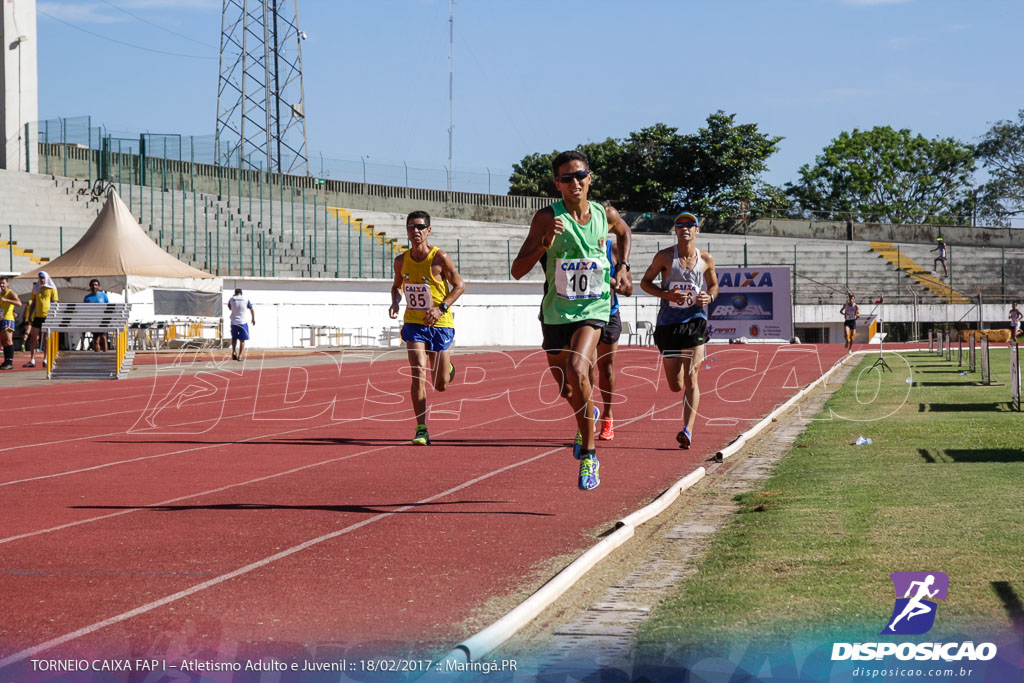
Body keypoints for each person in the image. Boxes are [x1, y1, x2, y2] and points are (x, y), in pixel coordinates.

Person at [511, 150, 632, 490]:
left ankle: (590, 455)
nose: (574, 182)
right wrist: (544, 244)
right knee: (568, 388)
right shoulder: (546, 217)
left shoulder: (604, 214)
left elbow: (624, 233)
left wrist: (622, 266)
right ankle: (587, 414)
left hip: (593, 308)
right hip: (555, 312)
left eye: (580, 175)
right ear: (557, 184)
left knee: (581, 369)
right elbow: (517, 270)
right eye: (567, 178)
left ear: (590, 178)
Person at [640, 212, 718, 450]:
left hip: (695, 320)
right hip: (668, 324)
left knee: (692, 377)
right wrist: (667, 295)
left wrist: (708, 297)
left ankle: (688, 430)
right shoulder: (664, 257)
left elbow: (713, 285)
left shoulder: (706, 259)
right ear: (675, 230)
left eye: (690, 225)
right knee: (676, 384)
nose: (685, 228)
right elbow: (645, 283)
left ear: (697, 231)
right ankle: (680, 388)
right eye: (680, 225)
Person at [388, 210, 466, 446]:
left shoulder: (440, 257)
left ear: (428, 230)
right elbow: (396, 286)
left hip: (440, 324)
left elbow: (460, 285)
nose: (416, 231)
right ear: (407, 231)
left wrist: (441, 308)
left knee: (440, 385)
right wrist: (394, 301)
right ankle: (421, 428)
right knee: (418, 371)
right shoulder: (401, 260)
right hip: (414, 323)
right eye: (411, 226)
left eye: (420, 226)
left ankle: (447, 367)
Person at [591, 237, 632, 441]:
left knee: (605, 367)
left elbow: (629, 289)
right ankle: (588, 412)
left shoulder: (612, 249)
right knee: (582, 368)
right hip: (582, 314)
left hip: (608, 314)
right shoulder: (573, 244)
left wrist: (612, 282)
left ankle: (607, 416)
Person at [23, 271, 58, 368]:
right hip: (37, 316)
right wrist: (29, 315)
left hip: (48, 316)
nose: (41, 279)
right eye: (40, 278)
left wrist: (54, 315)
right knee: (33, 337)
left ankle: (46, 359)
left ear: (46, 278)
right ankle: (32, 359)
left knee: (46, 339)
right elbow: (33, 302)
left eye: (43, 278)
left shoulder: (52, 288)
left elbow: (55, 302)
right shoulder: (36, 288)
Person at [0, 276, 22, 370]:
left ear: (7, 284)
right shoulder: (1, 294)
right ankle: (6, 361)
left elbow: (19, 303)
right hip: (2, 318)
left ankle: (10, 362)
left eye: (3, 283)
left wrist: (7, 300)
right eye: (0, 283)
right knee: (4, 341)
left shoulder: (10, 293)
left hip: (8, 319)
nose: (1, 285)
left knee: (8, 340)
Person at [226, 288, 255, 361]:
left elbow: (229, 307)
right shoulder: (246, 299)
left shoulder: (231, 299)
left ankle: (234, 351)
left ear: (235, 293)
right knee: (242, 340)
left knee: (234, 338)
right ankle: (240, 355)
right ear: (241, 293)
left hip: (234, 322)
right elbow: (251, 309)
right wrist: (253, 319)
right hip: (243, 322)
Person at [84, 279, 110, 352]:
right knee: (96, 340)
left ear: (98, 286)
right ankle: (97, 355)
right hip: (93, 321)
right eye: (92, 285)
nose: (94, 286)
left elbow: (108, 307)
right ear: (90, 286)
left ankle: (105, 355)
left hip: (102, 320)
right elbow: (85, 310)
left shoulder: (104, 295)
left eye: (95, 285)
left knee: (104, 338)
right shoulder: (87, 298)